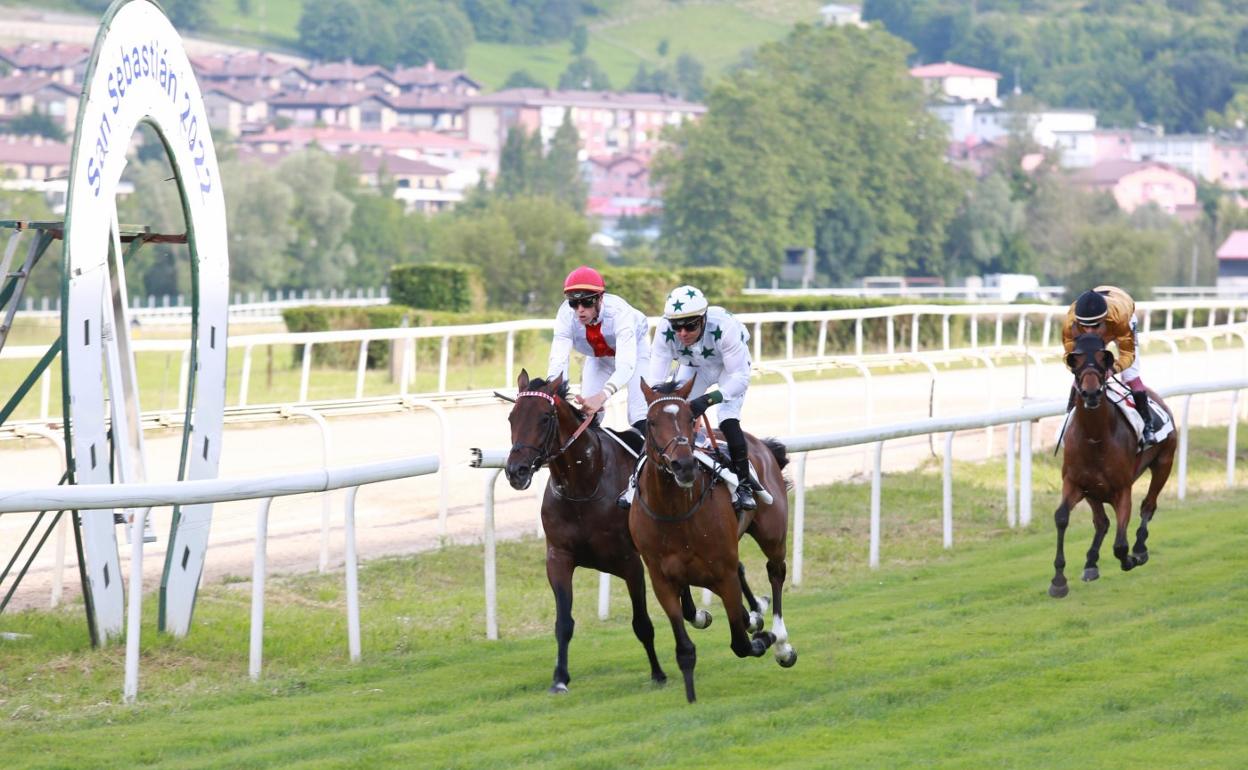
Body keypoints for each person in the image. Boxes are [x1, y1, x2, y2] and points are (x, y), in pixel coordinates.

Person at [646, 284, 757, 511]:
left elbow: (740, 379)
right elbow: (655, 380)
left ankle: (744, 485)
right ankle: (638, 482)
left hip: (730, 369)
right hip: (695, 367)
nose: (683, 333)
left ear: (704, 318)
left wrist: (707, 400)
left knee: (727, 417)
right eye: (677, 326)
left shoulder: (724, 327)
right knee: (670, 416)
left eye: (689, 325)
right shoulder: (665, 332)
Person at [547, 265, 651, 437]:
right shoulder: (565, 315)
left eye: (586, 302)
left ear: (600, 298)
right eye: (573, 302)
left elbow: (625, 365)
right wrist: (552, 394)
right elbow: (558, 361)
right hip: (599, 358)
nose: (580, 309)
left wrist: (603, 395)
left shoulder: (620, 313)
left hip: (635, 354)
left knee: (638, 414)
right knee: (588, 415)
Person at [1063, 285, 1161, 445]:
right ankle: (1068, 420)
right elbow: (1069, 357)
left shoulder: (1120, 318)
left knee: (1130, 375)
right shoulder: (1071, 322)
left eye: (1095, 326)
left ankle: (1148, 426)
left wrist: (1112, 369)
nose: (1089, 331)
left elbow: (1128, 355)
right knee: (1081, 376)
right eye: (1085, 326)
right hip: (1104, 310)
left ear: (1103, 320)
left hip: (1121, 312)